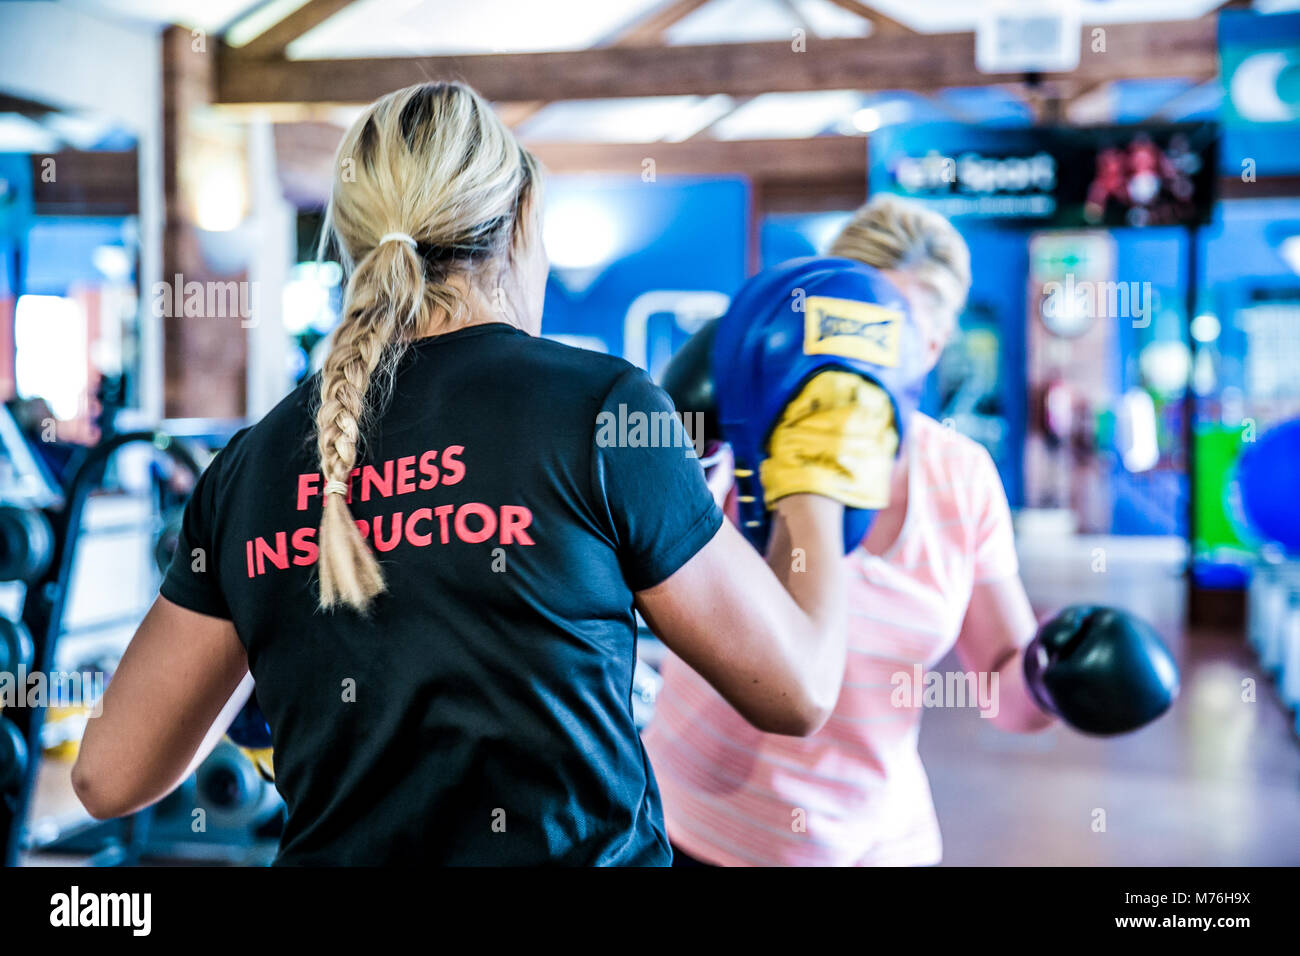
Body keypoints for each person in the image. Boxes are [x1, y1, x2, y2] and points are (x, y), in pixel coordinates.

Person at [71, 81, 892, 865]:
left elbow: (107, 775)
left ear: (353, 238)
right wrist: (817, 479)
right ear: (522, 220)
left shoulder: (249, 464)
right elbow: (797, 691)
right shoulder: (601, 408)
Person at [644, 195, 1057, 867]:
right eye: (849, 327)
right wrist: (684, 437)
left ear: (931, 347)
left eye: (891, 335)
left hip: (879, 844)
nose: (859, 363)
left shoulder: (960, 477)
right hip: (702, 830)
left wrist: (1056, 677)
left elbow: (1005, 695)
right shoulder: (736, 447)